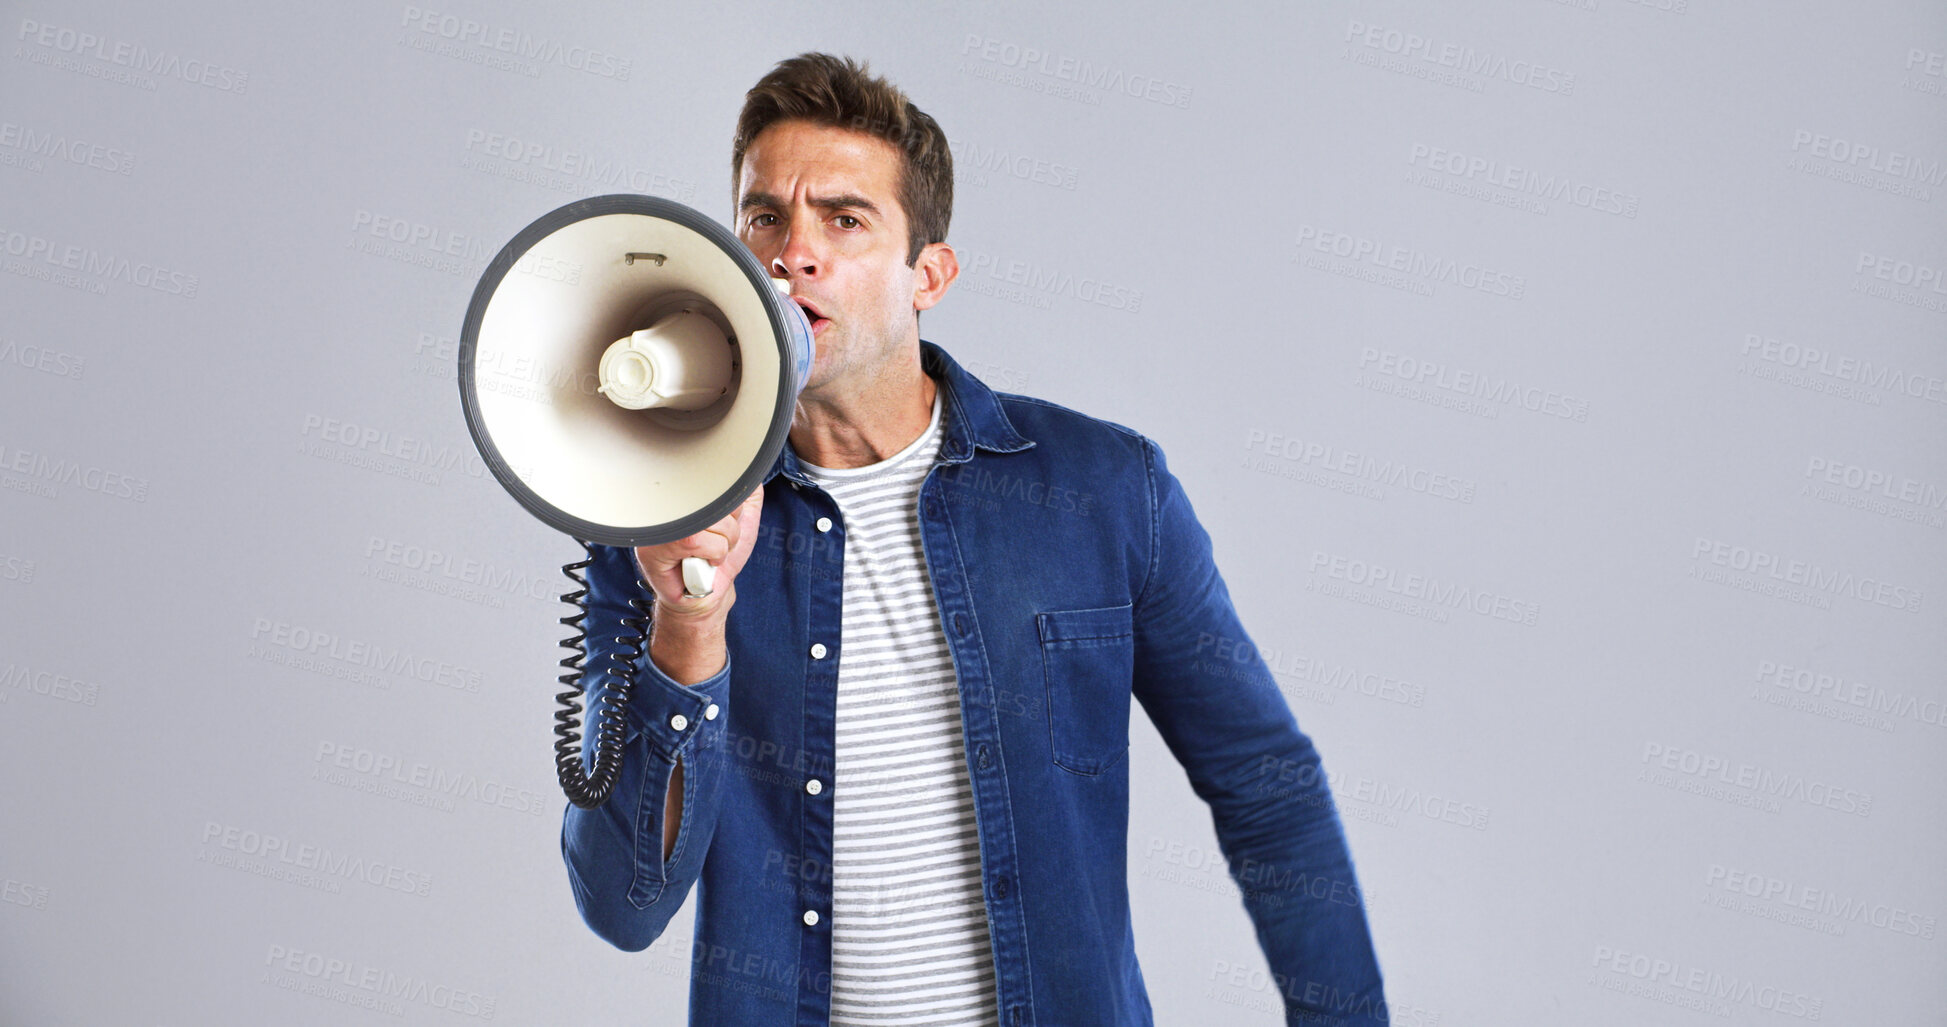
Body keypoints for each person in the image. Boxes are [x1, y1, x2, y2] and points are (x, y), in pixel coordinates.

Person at [561, 52, 1387, 1027]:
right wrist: (689, 623)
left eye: (845, 218)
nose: (795, 254)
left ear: (931, 274)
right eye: (764, 217)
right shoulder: (657, 520)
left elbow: (1266, 785)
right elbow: (622, 905)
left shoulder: (1103, 490)